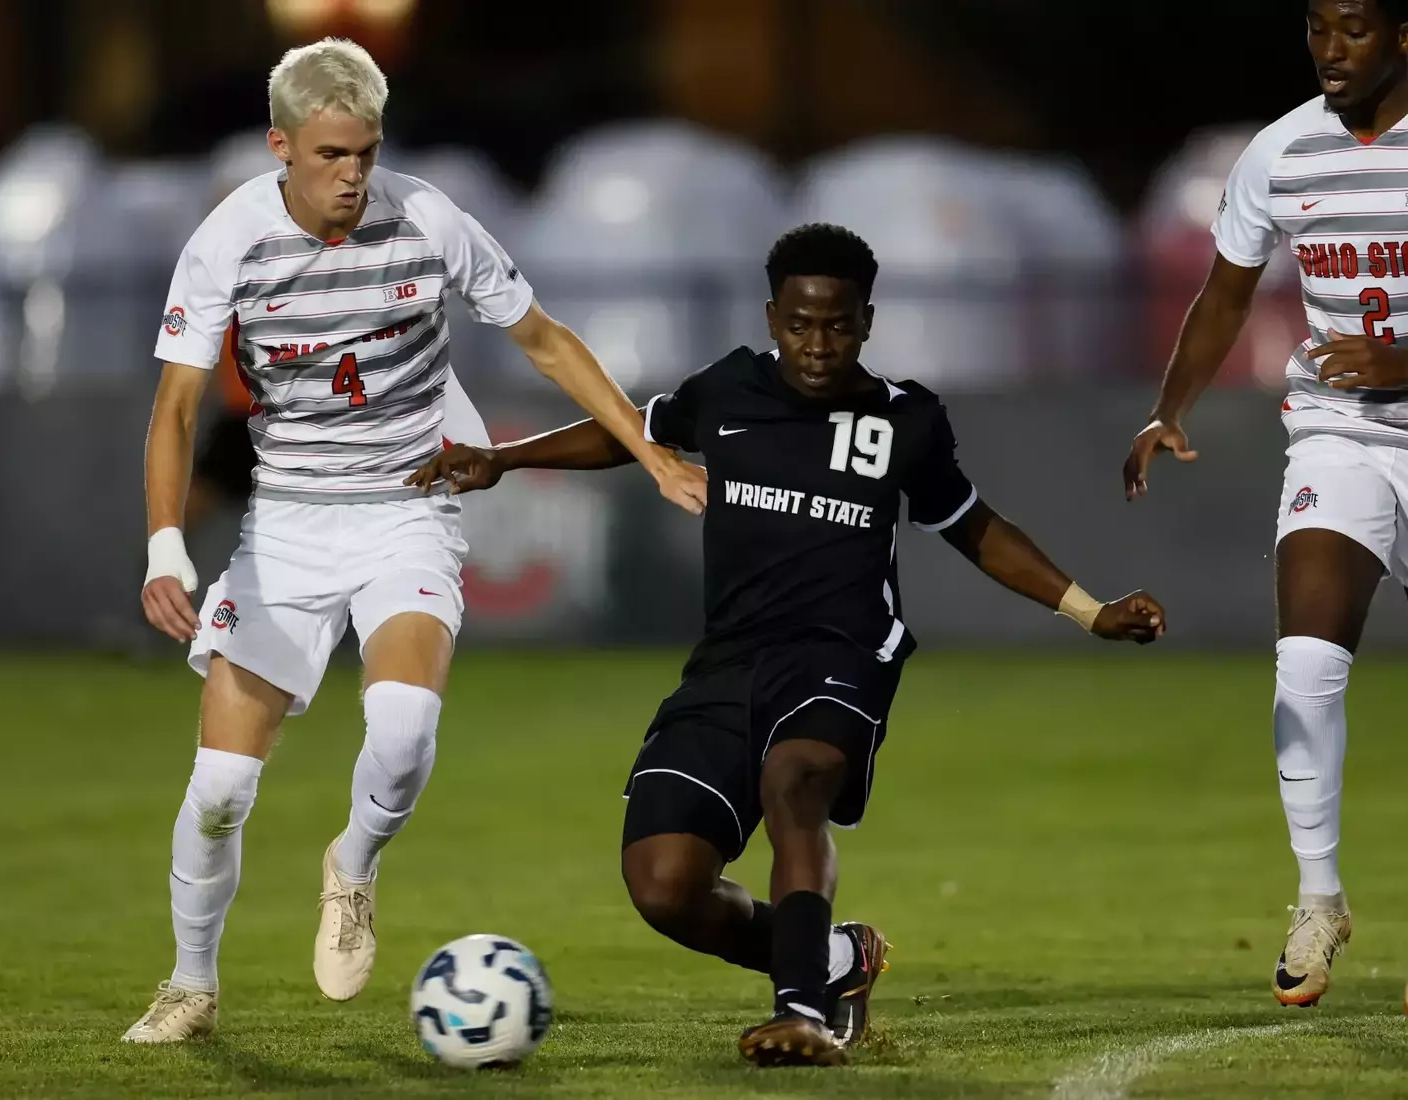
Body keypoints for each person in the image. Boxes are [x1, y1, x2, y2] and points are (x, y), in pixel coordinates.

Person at [412, 223, 1167, 1066]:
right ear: (773, 317)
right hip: (728, 662)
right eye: (801, 324)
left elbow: (975, 527)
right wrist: (505, 459)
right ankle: (835, 960)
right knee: (664, 885)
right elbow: (632, 432)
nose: (818, 344)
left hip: (843, 656)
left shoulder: (906, 420)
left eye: (838, 325)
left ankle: (802, 1010)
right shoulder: (728, 389)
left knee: (794, 780)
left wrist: (1090, 610)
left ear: (867, 321)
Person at [125, 38, 705, 1044]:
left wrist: (649, 454)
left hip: (409, 507)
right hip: (288, 526)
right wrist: (165, 545)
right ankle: (191, 985)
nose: (353, 175)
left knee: (400, 733)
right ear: (281, 146)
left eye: (366, 152)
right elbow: (176, 407)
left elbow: (545, 339)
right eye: (331, 155)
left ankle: (351, 866)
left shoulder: (429, 218)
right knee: (219, 788)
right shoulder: (228, 241)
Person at [1122, 0, 1408, 1011]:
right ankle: (1319, 898)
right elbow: (1227, 292)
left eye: (1354, 30)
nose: (1331, 49)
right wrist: (1169, 409)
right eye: (1317, 28)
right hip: (1340, 430)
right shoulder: (1281, 151)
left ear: (1404, 37)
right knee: (1307, 662)